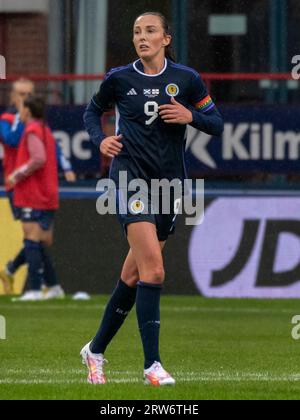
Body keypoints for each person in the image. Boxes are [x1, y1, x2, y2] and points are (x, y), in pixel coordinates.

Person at [82, 11, 224, 386]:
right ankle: (152, 366)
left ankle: (95, 351)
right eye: (136, 32)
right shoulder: (119, 78)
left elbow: (217, 123)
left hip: (170, 186)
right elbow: (92, 111)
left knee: (133, 275)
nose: (141, 37)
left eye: (150, 31)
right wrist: (101, 140)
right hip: (129, 180)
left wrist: (189, 115)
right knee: (155, 271)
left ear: (165, 39)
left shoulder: (186, 79)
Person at [0, 79, 75, 296]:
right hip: (19, 186)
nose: (24, 99)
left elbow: (45, 152)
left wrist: (66, 165)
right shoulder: (8, 120)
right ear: (13, 98)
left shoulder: (36, 128)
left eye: (28, 95)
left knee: (35, 237)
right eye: (21, 95)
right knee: (37, 237)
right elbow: (11, 139)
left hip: (29, 185)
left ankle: (16, 272)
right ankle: (51, 286)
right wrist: (23, 118)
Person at [6, 94, 63, 302]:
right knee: (41, 241)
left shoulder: (31, 130)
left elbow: (38, 159)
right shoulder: (45, 129)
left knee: (31, 238)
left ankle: (36, 289)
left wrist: (16, 174)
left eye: (21, 109)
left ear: (28, 111)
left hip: (33, 192)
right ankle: (54, 286)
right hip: (48, 191)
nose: (18, 113)